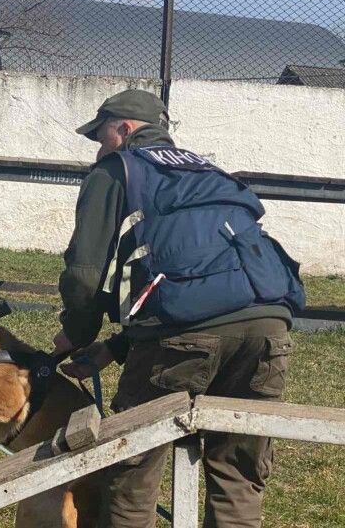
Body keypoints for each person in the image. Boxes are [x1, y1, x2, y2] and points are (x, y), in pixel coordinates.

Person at [51, 89, 305, 528]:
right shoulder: (212, 172)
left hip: (180, 341)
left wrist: (77, 332)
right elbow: (206, 278)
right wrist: (116, 346)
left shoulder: (118, 170)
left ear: (124, 130)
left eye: (101, 135)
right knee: (238, 475)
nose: (99, 146)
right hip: (268, 330)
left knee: (132, 472)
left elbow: (85, 273)